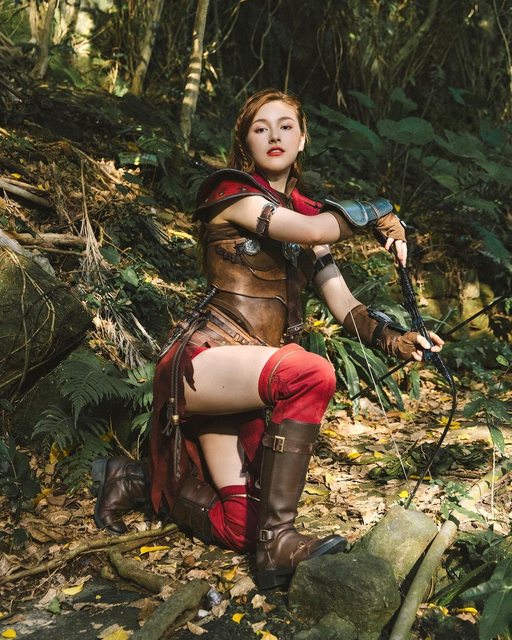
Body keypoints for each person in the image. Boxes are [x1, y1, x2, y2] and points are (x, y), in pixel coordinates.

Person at [92, 88, 444, 590]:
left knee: (241, 527)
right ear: (245, 143)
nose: (274, 135)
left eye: (285, 126)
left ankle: (135, 478)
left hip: (252, 379)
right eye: (261, 128)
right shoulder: (231, 194)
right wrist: (381, 210)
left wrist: (398, 339)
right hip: (204, 361)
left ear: (302, 139)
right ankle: (278, 542)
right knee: (310, 371)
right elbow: (308, 228)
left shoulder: (306, 215)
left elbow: (346, 306)